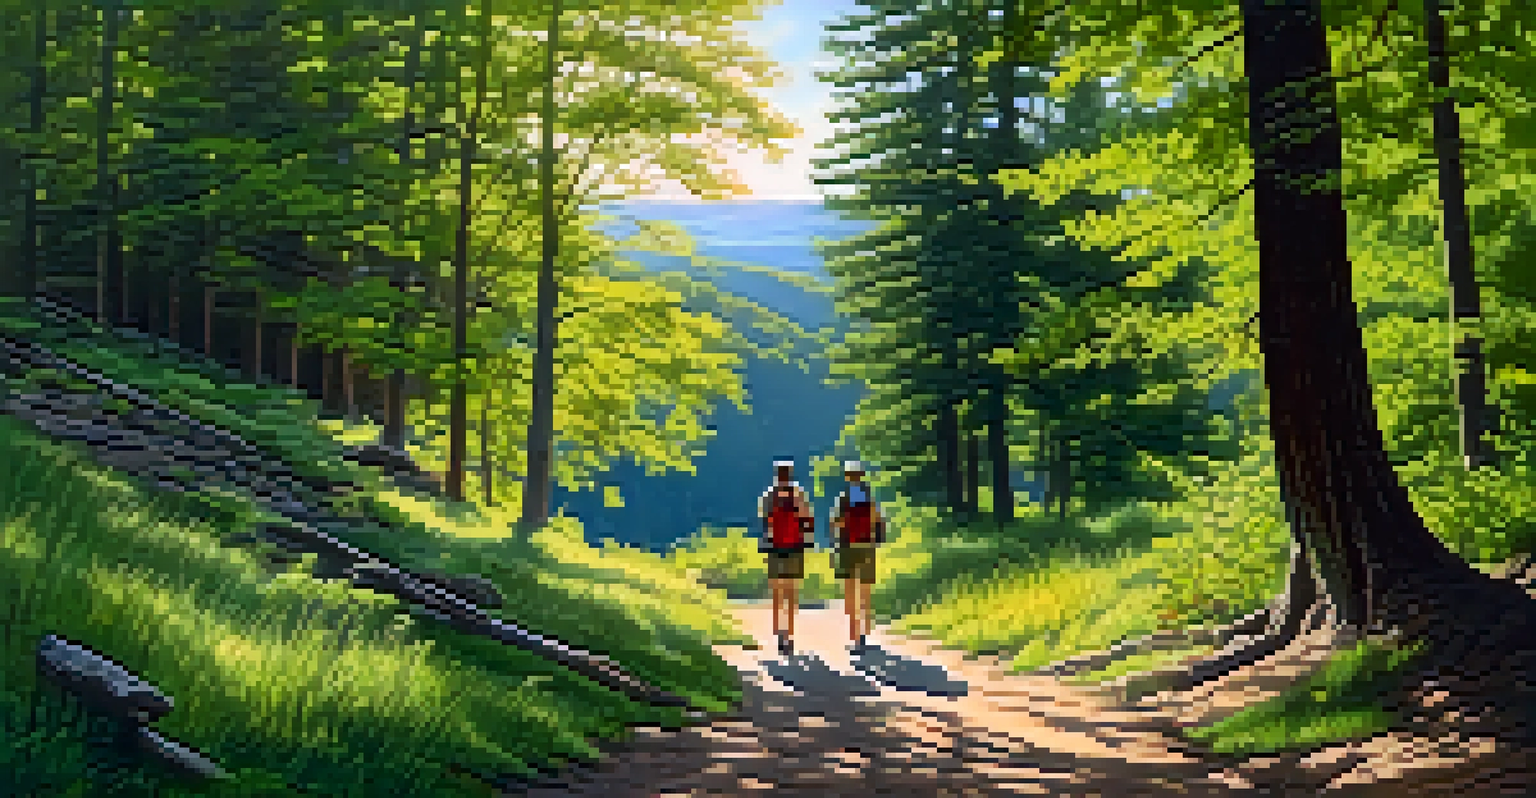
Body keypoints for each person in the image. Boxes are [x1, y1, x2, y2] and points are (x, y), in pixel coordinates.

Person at [758, 458, 814, 656]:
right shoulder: (798, 494)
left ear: (776, 475)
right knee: (791, 592)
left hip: (774, 546)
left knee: (776, 590)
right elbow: (808, 519)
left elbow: (764, 520)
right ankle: (789, 634)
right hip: (795, 546)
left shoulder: (768, 495)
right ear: (791, 474)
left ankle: (777, 630)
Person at [831, 460, 885, 653]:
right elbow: (878, 520)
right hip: (867, 546)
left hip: (847, 546)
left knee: (849, 591)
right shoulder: (869, 498)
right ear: (862, 476)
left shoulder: (843, 498)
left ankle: (854, 635)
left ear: (847, 477)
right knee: (865, 590)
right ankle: (865, 629)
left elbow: (836, 523)